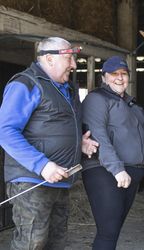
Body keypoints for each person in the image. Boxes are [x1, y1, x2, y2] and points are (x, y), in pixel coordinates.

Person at [0, 37, 98, 250]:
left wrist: (77, 143)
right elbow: (5, 131)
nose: (73, 65)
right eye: (69, 58)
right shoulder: (25, 84)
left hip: (61, 180)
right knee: (32, 243)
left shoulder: (67, 88)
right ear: (49, 58)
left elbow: (55, 127)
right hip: (32, 181)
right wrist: (42, 165)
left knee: (56, 243)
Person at [81, 56, 144, 250]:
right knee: (108, 232)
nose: (120, 78)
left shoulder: (132, 106)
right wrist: (117, 169)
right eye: (114, 74)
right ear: (104, 77)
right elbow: (98, 136)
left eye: (124, 74)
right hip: (105, 172)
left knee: (113, 231)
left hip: (130, 174)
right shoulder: (97, 99)